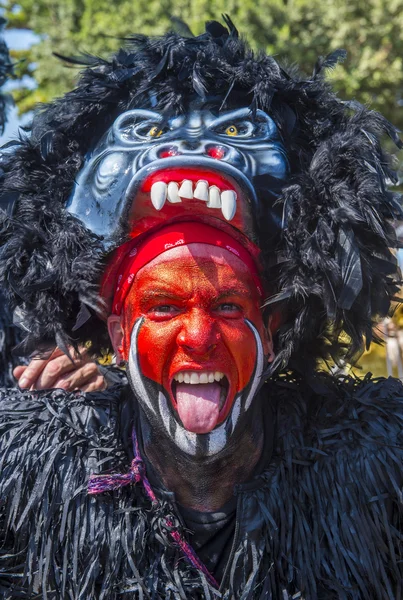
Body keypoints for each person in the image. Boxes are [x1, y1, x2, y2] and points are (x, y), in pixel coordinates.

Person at [1, 17, 403, 599]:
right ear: (119, 335)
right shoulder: (30, 472)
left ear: (273, 325)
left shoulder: (380, 461)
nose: (198, 337)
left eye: (231, 307)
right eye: (163, 308)